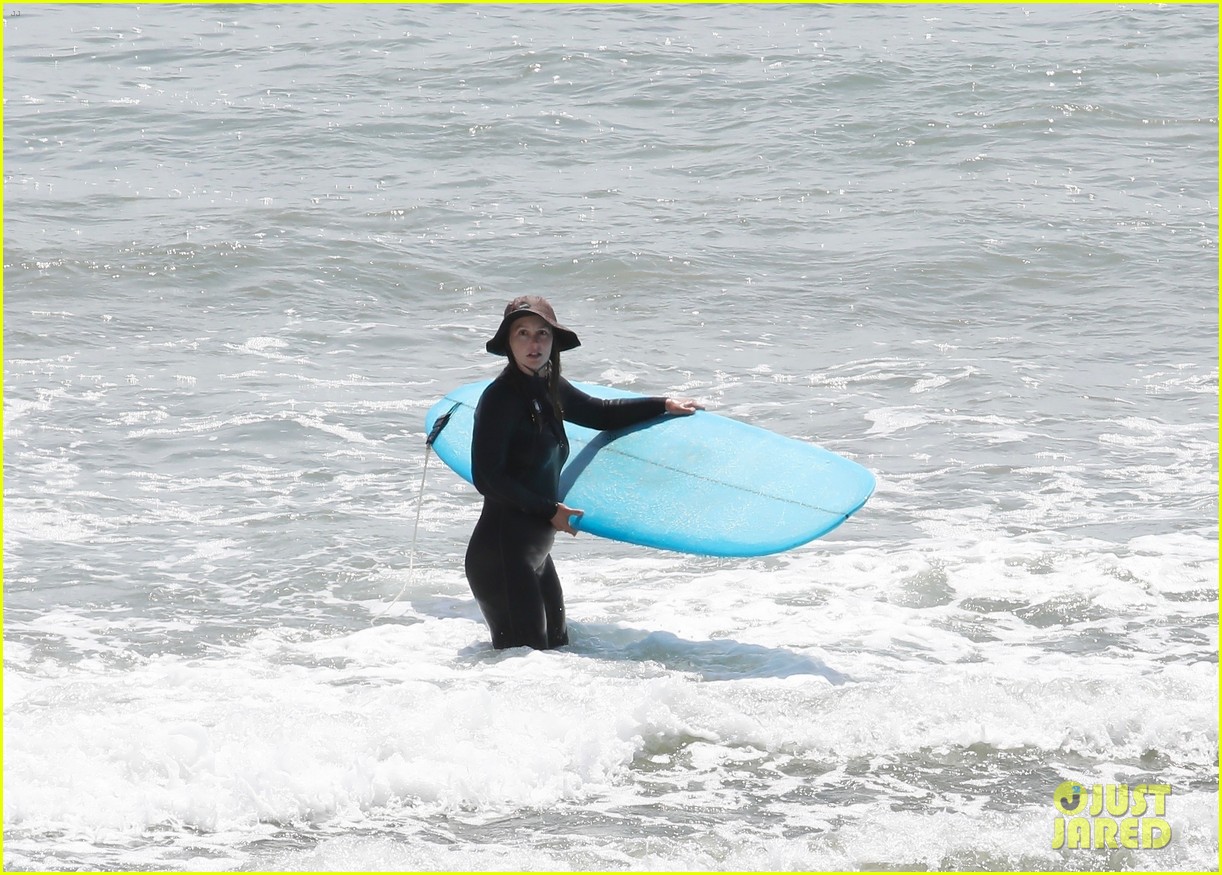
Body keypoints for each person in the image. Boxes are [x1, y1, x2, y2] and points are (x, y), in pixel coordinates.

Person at [465, 296, 700, 650]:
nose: (534, 343)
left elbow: (600, 413)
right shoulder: (500, 399)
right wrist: (550, 510)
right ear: (508, 342)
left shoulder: (547, 384)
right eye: (523, 334)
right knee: (524, 668)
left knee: (558, 651)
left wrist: (662, 405)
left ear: (553, 341)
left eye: (542, 333)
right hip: (501, 556)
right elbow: (488, 477)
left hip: (534, 555)